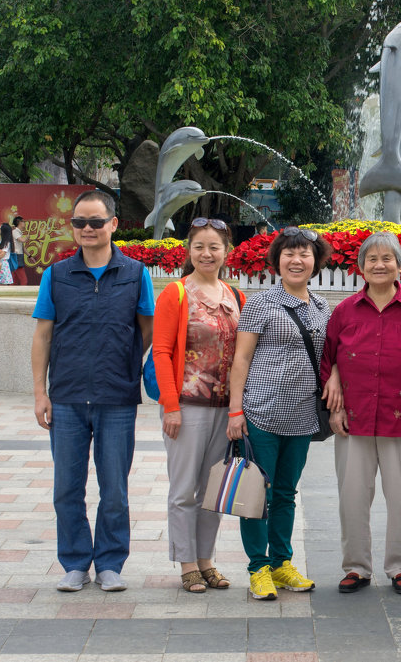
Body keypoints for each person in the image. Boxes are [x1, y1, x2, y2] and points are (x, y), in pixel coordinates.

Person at [30, 190, 155, 592]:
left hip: (117, 397)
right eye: (80, 222)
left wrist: (126, 362)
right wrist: (39, 393)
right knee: (66, 487)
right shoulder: (57, 274)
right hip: (65, 397)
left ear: (113, 224)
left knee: (114, 489)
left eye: (96, 222)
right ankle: (74, 562)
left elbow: (147, 329)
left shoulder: (136, 274)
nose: (87, 229)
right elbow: (43, 335)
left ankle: (110, 563)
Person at [323, 231, 401, 596]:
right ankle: (356, 566)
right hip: (353, 418)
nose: (379, 265)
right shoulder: (344, 311)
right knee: (353, 496)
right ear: (360, 267)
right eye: (371, 259)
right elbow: (327, 360)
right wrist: (334, 400)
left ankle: (400, 566)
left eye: (387, 258)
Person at [227, 226, 332, 600]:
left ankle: (281, 563)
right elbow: (241, 358)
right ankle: (258, 567)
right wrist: (235, 410)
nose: (296, 260)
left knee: (286, 492)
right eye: (289, 253)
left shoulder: (322, 307)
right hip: (261, 412)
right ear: (276, 260)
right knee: (257, 493)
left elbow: (327, 359)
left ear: (316, 261)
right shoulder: (259, 303)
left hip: (302, 415)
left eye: (304, 253)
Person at [153, 218, 246, 593]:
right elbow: (161, 351)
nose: (206, 254)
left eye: (214, 247)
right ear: (189, 250)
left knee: (213, 490)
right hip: (187, 407)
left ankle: (206, 560)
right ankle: (187, 562)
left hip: (225, 408)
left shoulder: (235, 295)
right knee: (183, 489)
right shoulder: (176, 293)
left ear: (227, 251)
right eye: (199, 247)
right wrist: (170, 405)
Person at [11, 215, 28, 285]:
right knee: (24, 280)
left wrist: (30, 256)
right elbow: (22, 240)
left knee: (14, 279)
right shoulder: (15, 231)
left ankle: (10, 294)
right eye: (23, 221)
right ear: (19, 222)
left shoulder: (18, 232)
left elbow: (22, 247)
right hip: (16, 256)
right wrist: (27, 237)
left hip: (18, 256)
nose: (24, 223)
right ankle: (23, 295)